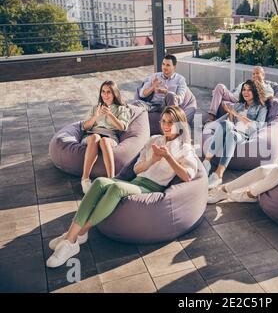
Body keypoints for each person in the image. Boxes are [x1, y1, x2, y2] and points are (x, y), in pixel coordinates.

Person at [46, 106, 198, 268]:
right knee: (99, 182)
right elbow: (136, 169)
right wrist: (152, 160)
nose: (166, 126)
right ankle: (74, 236)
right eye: (164, 121)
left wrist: (168, 157)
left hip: (153, 188)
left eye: (171, 122)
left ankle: (74, 236)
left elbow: (188, 176)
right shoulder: (154, 140)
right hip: (137, 182)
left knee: (116, 189)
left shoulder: (185, 149)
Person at [203, 79, 268, 189]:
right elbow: (230, 123)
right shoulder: (238, 105)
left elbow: (258, 126)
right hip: (232, 130)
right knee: (226, 125)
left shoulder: (261, 108)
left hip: (243, 135)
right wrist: (230, 114)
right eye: (244, 89)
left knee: (232, 135)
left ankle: (218, 174)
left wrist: (237, 115)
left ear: (255, 92)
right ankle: (206, 163)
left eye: (249, 90)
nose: (245, 92)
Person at [81, 81, 132, 194]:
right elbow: (84, 126)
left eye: (108, 92)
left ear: (114, 94)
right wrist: (96, 116)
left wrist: (110, 115)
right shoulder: (95, 108)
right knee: (95, 138)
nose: (105, 95)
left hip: (110, 136)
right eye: (103, 92)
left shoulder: (121, 109)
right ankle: (85, 179)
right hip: (92, 135)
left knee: (103, 141)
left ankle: (111, 180)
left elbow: (122, 127)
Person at [206, 66, 274, 123]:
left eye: (257, 73)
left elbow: (268, 97)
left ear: (263, 75)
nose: (255, 75)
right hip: (235, 97)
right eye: (253, 74)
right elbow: (235, 90)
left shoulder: (267, 87)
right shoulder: (246, 83)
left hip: (245, 101)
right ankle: (211, 116)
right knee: (220, 87)